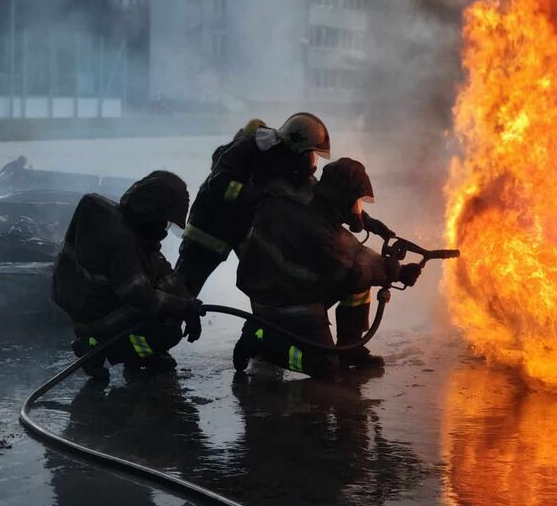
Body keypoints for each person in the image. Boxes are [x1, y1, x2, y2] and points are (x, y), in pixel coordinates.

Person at [232, 157, 423, 378]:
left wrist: (394, 268)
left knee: (364, 275)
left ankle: (350, 348)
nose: (357, 209)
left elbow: (356, 256)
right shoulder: (317, 230)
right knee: (325, 367)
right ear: (340, 198)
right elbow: (349, 273)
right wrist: (391, 271)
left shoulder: (317, 205)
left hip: (295, 286)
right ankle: (260, 339)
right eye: (355, 202)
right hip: (281, 300)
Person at [52, 170, 203, 380]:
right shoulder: (120, 239)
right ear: (151, 211)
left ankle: (115, 347)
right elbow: (140, 295)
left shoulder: (127, 224)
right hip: (94, 311)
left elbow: (162, 269)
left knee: (169, 307)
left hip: (98, 300)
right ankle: (120, 352)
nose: (164, 227)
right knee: (168, 331)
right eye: (164, 219)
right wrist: (185, 308)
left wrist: (188, 301)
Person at [175, 113, 330, 297]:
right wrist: (256, 195)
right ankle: (164, 323)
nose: (312, 161)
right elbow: (219, 182)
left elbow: (309, 191)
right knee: (183, 289)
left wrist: (354, 213)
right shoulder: (250, 147)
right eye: (310, 153)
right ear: (295, 143)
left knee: (266, 291)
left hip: (247, 231)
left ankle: (260, 327)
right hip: (210, 228)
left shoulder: (290, 161)